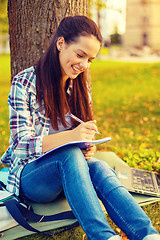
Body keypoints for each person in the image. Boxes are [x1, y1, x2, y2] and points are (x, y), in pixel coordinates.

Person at [1, 16, 160, 240]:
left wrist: (86, 145)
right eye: (80, 55)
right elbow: (21, 146)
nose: (84, 65)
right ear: (60, 44)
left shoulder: (80, 85)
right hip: (31, 178)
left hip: (70, 170)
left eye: (90, 59)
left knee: (100, 168)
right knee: (68, 154)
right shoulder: (24, 83)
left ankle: (147, 235)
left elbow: (78, 140)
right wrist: (71, 138)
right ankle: (103, 236)